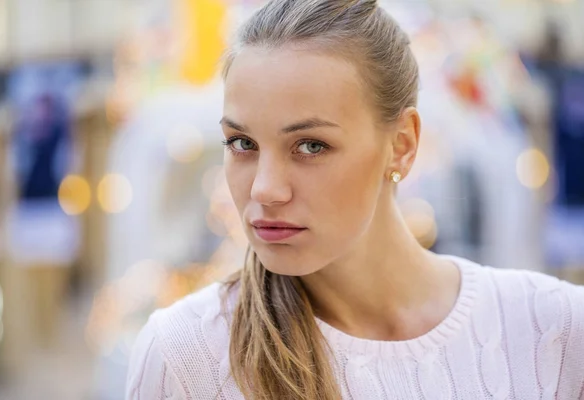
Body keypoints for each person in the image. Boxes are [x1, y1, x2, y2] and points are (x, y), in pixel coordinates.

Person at [126, 1, 584, 399]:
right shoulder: (184, 357)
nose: (264, 189)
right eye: (242, 143)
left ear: (401, 144)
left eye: (310, 146)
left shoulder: (556, 331)